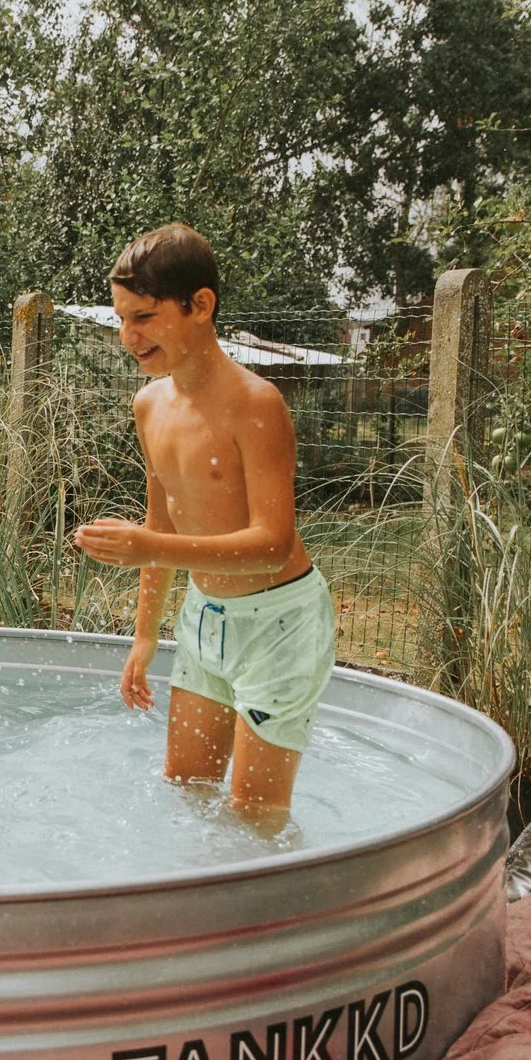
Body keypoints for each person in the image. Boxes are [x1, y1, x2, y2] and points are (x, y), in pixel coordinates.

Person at [72, 223, 335, 828]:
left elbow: (272, 545)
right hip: (203, 619)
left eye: (143, 318)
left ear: (201, 305)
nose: (126, 337)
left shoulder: (256, 403)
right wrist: (144, 637)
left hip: (280, 625)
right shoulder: (150, 406)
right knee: (185, 791)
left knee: (254, 816)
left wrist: (147, 547)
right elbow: (158, 518)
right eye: (121, 319)